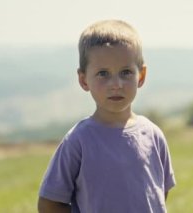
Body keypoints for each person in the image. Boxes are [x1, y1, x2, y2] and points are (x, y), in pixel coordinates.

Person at [37, 20, 176, 213]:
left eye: (126, 72)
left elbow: (160, 192)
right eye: (103, 74)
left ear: (141, 76)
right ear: (84, 80)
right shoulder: (78, 141)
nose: (116, 84)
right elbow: (49, 203)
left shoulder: (153, 135)